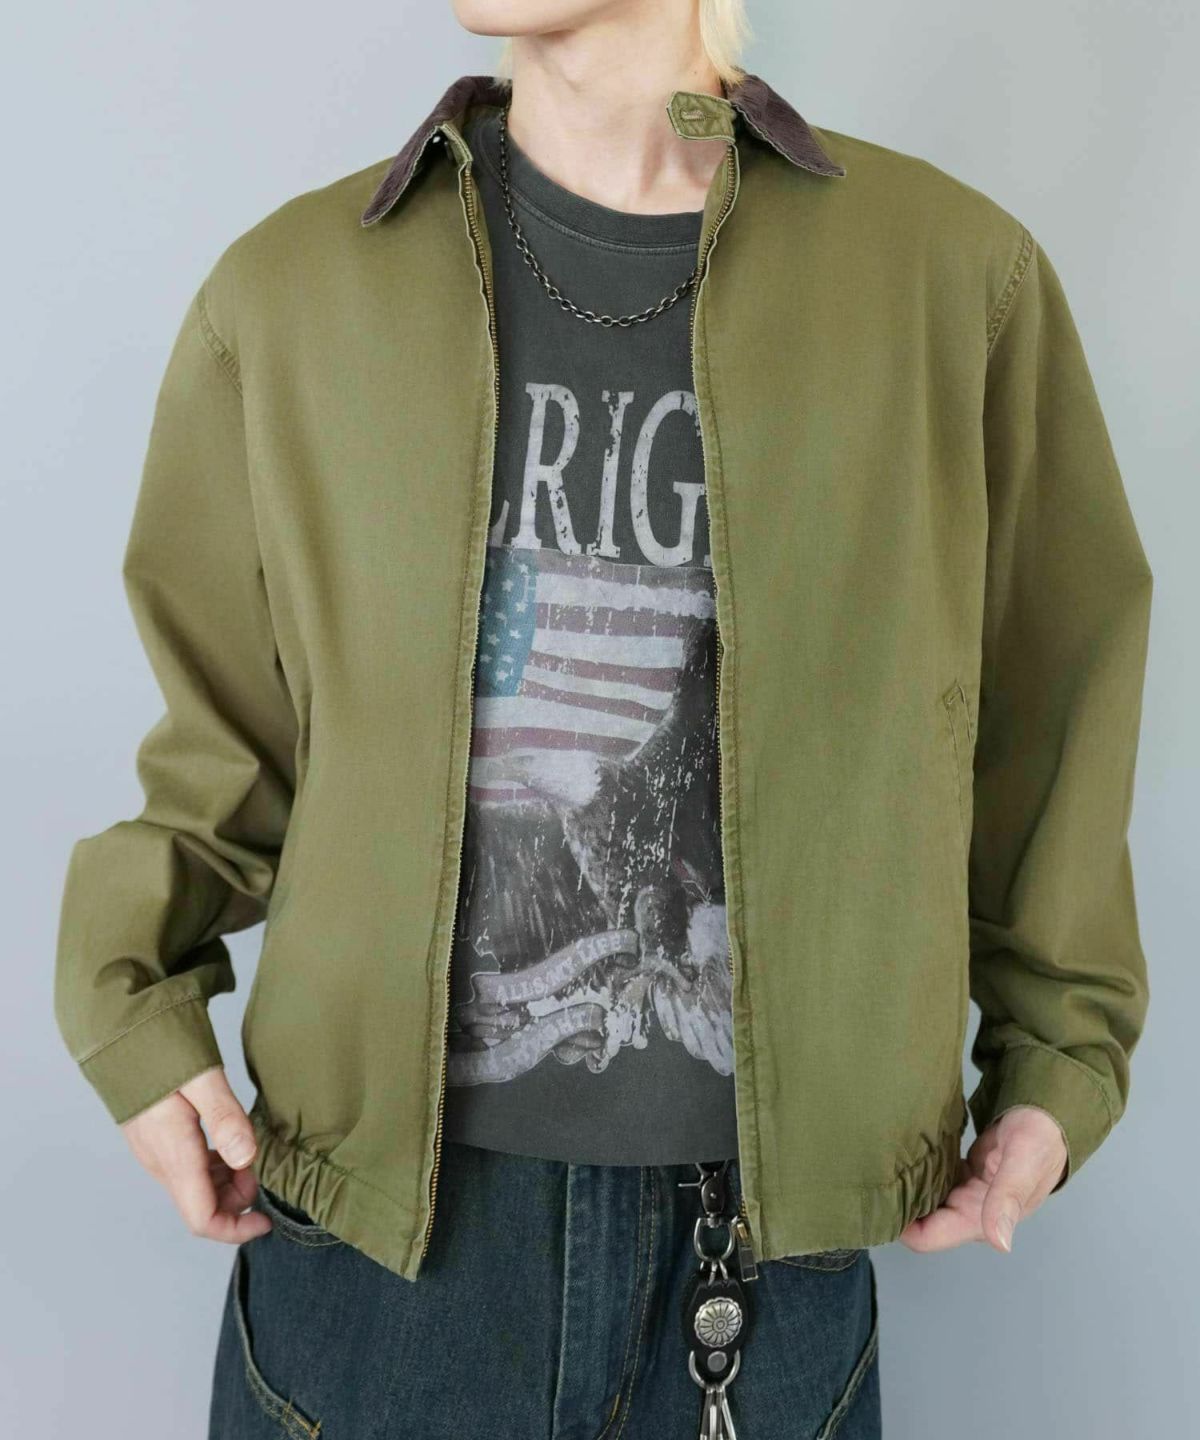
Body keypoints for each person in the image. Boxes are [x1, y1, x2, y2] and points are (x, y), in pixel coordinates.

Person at [53, 0, 1154, 1435]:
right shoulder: (293, 297)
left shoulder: (950, 281)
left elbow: (1051, 691)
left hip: (771, 1266)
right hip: (379, 1271)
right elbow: (226, 749)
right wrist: (133, 1012)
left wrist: (1058, 1058)